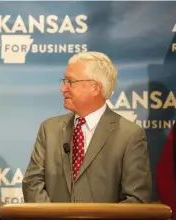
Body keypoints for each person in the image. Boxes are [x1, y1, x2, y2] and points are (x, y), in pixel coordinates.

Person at [22, 51, 152, 203]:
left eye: (70, 82)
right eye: (64, 81)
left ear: (95, 88)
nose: (63, 89)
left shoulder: (129, 135)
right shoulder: (49, 129)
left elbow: (136, 199)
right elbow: (32, 183)